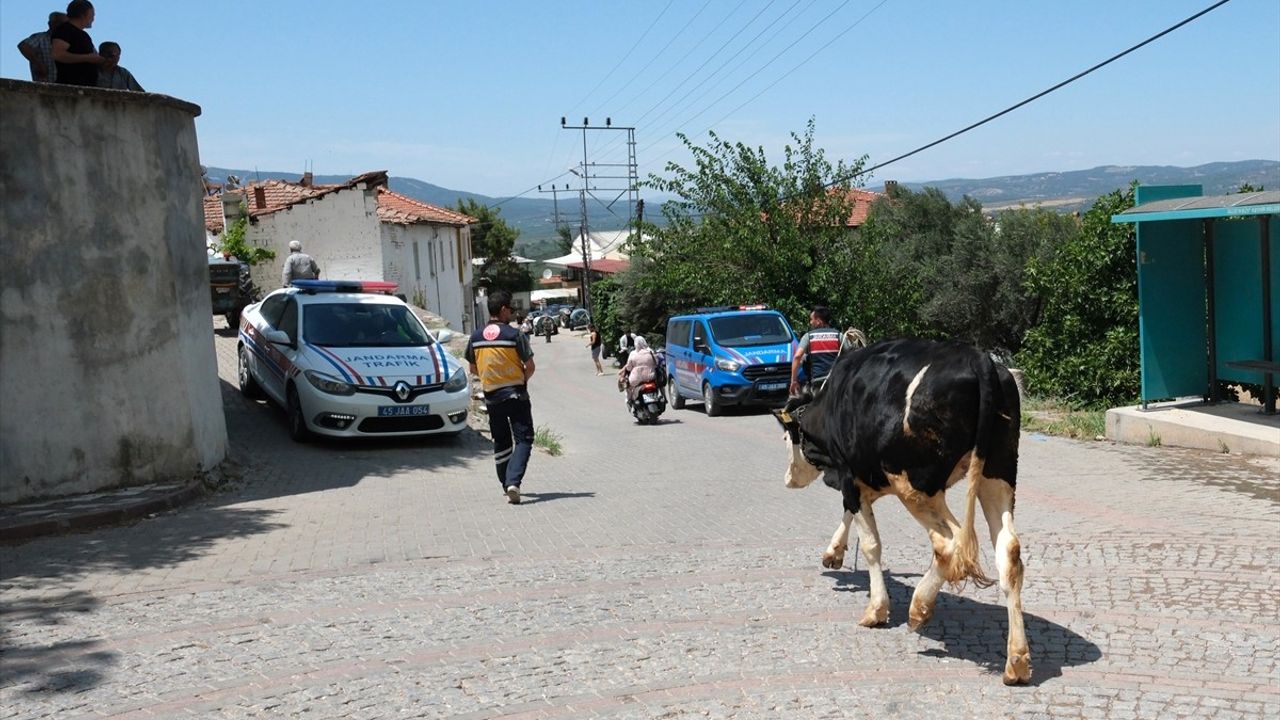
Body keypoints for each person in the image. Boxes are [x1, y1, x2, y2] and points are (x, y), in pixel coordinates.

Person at [465, 289, 536, 505]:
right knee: (524, 438)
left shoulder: (476, 337)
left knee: (501, 441)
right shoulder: (515, 335)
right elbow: (530, 366)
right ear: (503, 310)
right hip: (516, 395)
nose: (512, 313)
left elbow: (473, 369)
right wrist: (520, 380)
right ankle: (514, 481)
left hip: (492, 397)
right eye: (511, 309)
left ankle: (506, 484)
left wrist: (492, 379)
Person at [789, 305, 842, 396]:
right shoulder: (838, 335)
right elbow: (852, 354)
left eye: (811, 319)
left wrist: (794, 381)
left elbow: (797, 356)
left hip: (818, 382)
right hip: (836, 381)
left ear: (818, 321)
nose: (810, 322)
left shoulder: (809, 337)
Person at [51, 0, 104, 87]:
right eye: (92, 15)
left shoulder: (83, 34)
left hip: (85, 86)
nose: (93, 18)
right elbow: (58, 54)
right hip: (70, 86)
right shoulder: (65, 30)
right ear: (83, 15)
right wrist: (88, 58)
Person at [16, 11, 66, 82]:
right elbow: (23, 45)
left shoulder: (70, 41)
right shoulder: (41, 38)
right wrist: (38, 63)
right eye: (60, 23)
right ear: (50, 24)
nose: (64, 27)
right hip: (45, 85)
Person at [618, 335, 658, 404]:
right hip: (651, 377)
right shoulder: (651, 352)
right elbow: (656, 362)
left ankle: (629, 400)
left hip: (637, 379)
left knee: (628, 387)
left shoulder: (633, 354)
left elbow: (629, 368)